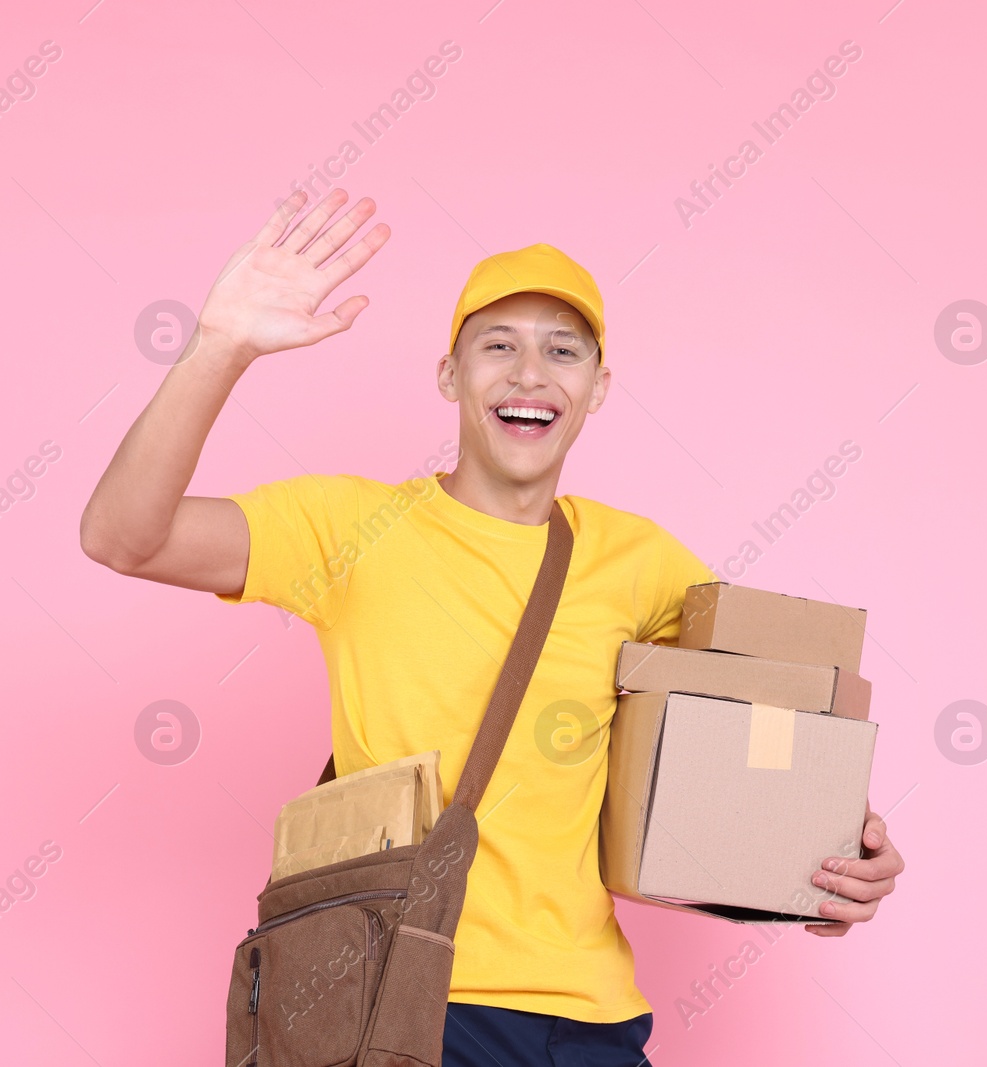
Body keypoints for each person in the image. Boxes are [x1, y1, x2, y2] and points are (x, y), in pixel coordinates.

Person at [79, 188, 904, 1066]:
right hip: (406, 996)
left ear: (596, 388)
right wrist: (222, 347)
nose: (528, 374)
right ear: (449, 375)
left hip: (594, 1019)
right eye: (497, 346)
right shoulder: (348, 527)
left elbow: (752, 733)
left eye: (562, 351)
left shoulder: (641, 560)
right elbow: (123, 535)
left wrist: (831, 860)